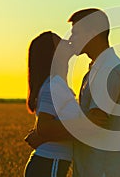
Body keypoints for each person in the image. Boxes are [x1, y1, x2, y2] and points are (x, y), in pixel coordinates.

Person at [25, 8, 120, 177]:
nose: (70, 39)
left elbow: (94, 124)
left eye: (76, 33)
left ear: (93, 34)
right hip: (94, 168)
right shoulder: (96, 70)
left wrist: (45, 133)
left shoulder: (107, 70)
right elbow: (87, 123)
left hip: (104, 170)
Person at [24, 31, 79, 177]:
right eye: (60, 42)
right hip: (49, 163)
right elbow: (44, 127)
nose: (67, 42)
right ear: (52, 55)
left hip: (50, 163)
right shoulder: (53, 85)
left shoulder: (57, 84)